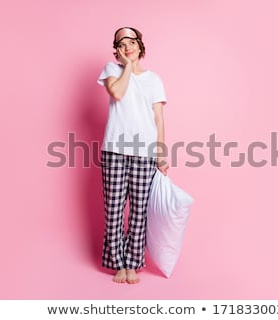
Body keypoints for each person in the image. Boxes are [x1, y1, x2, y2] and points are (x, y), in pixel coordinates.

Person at [97, 27, 169, 284]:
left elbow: (158, 119)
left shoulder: (155, 79)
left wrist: (161, 153)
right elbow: (117, 92)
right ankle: (118, 263)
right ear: (116, 49)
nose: (128, 46)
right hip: (114, 150)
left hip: (145, 152)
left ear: (140, 44)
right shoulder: (112, 70)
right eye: (121, 43)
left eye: (132, 41)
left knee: (139, 211)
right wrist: (127, 66)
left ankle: (133, 262)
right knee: (114, 210)